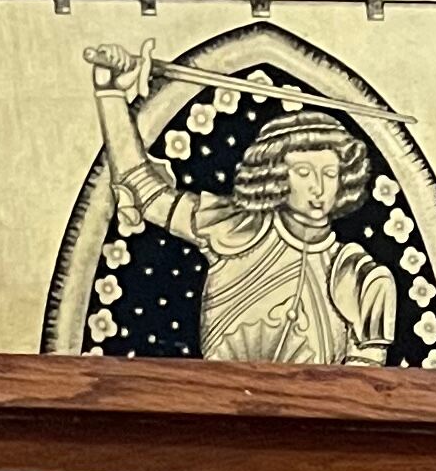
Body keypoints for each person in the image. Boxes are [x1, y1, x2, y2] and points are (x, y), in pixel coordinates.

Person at [84, 46, 400, 367]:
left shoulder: (356, 274)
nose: (319, 188)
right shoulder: (235, 226)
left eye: (329, 173)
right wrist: (110, 92)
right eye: (304, 173)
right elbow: (143, 189)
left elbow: (363, 387)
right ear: (276, 176)